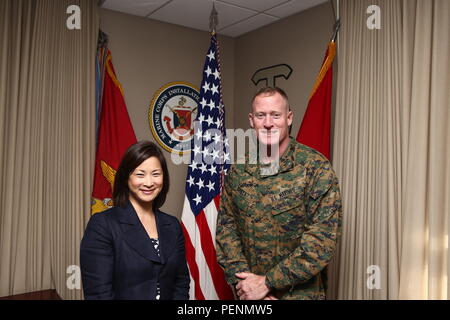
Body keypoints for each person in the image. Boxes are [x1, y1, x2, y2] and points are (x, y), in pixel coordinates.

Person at [216, 87, 342, 300]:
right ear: (251, 120)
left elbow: (321, 242)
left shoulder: (315, 168)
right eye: (260, 115)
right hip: (250, 298)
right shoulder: (238, 171)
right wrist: (247, 285)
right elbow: (227, 231)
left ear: (289, 117)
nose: (268, 123)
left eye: (276, 115)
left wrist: (267, 283)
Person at [80, 141, 189, 300]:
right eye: (140, 174)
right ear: (126, 178)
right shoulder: (102, 225)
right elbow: (99, 294)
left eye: (156, 174)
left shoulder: (172, 225)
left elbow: (181, 282)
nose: (149, 182)